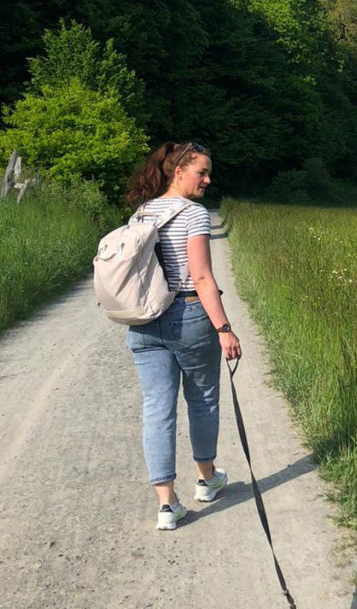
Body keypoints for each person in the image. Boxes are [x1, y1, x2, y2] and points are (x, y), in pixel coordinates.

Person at [123, 141, 242, 530]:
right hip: (188, 314)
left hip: (143, 319)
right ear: (178, 172)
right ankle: (207, 481)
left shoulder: (142, 212)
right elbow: (202, 275)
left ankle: (167, 505)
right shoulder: (193, 214)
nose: (207, 180)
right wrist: (224, 328)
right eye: (201, 172)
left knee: (157, 409)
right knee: (203, 399)